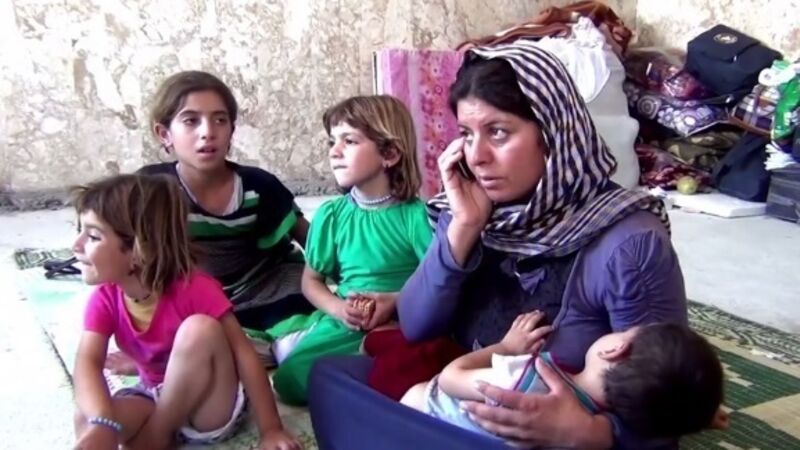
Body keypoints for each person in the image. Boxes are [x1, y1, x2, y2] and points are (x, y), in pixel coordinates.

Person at [309, 42, 688, 450]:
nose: (477, 157)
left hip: (539, 434)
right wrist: (464, 228)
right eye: (466, 135)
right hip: (468, 391)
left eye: (499, 132)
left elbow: (667, 402)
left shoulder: (629, 244)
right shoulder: (472, 210)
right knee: (330, 379)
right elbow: (417, 327)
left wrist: (586, 433)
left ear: (552, 133)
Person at [71, 174, 299, 450]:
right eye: (80, 231)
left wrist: (271, 429)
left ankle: (158, 433)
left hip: (208, 406)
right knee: (86, 416)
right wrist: (102, 422)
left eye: (93, 236)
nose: (76, 246)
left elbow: (244, 355)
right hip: (153, 395)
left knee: (199, 329)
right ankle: (153, 431)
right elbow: (87, 362)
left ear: (140, 249)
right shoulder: (105, 298)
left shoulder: (195, 288)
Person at [264, 95, 433, 406]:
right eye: (332, 141)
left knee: (422, 365)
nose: (334, 151)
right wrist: (339, 309)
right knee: (289, 380)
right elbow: (311, 281)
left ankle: (368, 374)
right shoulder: (331, 216)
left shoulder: (416, 217)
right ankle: (363, 374)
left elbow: (435, 282)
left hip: (402, 324)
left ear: (390, 153)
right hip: (346, 323)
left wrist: (395, 302)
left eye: (349, 141)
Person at [138, 70, 312, 331]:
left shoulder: (258, 185)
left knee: (300, 343)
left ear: (232, 130)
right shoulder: (150, 189)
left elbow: (315, 243)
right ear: (164, 134)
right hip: (196, 301)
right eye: (191, 121)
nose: (208, 132)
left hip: (272, 289)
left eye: (220, 120)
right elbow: (123, 252)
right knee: (188, 342)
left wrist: (356, 290)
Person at [402, 311, 724, 444]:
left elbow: (451, 378)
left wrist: (506, 347)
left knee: (415, 380)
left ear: (616, 349)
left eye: (624, 330)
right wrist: (694, 412)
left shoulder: (526, 380)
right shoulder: (601, 423)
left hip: (421, 418)